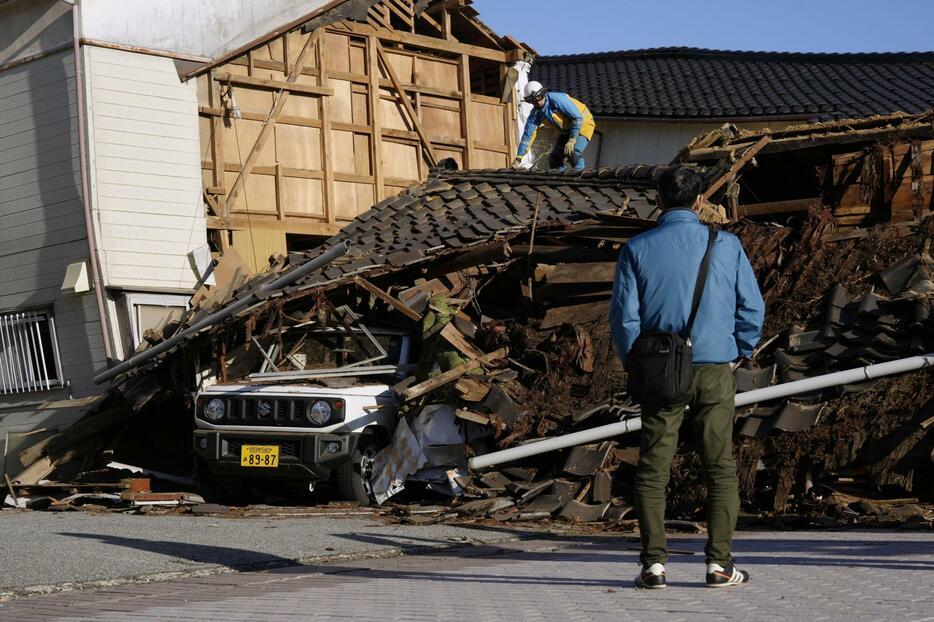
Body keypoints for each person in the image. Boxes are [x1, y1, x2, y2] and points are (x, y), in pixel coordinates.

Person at [609, 166, 765, 589]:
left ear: (659, 200)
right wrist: (742, 350)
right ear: (700, 202)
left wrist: (634, 361)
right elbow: (752, 308)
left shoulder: (637, 247)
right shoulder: (727, 245)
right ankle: (719, 565)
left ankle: (653, 566)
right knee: (719, 465)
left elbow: (625, 318)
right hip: (715, 368)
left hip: (660, 367)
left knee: (654, 466)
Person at [512, 81, 595, 171]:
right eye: (534, 101)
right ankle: (560, 179)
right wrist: (518, 158)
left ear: (543, 93)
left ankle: (580, 176)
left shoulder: (558, 99)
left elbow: (577, 118)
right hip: (567, 129)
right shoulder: (535, 114)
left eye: (539, 97)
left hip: (583, 123)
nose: (538, 102)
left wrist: (572, 140)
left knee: (572, 151)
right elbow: (527, 137)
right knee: (555, 158)